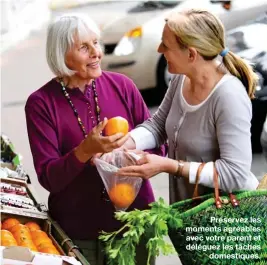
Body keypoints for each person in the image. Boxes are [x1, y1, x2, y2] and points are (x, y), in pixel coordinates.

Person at [25, 13, 163, 265]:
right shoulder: (41, 103)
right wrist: (84, 151)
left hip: (134, 224)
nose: (96, 53)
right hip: (79, 233)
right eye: (84, 47)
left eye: (96, 43)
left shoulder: (123, 86)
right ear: (61, 54)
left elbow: (158, 143)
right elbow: (48, 177)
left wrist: (131, 156)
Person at [117, 9, 259, 203]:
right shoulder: (180, 80)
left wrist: (171, 166)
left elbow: (235, 174)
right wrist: (122, 144)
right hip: (188, 214)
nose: (159, 50)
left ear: (191, 54)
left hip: (225, 222)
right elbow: (159, 125)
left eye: (165, 45)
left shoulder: (229, 96)